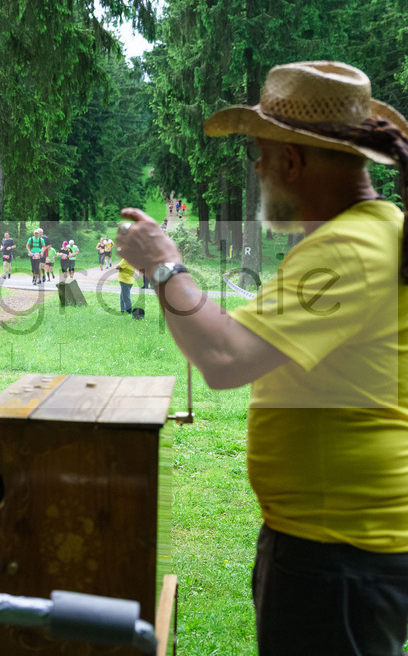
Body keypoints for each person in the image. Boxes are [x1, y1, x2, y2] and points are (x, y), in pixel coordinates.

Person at [116, 60, 408, 655]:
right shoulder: (378, 230)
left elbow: (224, 357)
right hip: (339, 544)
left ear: (291, 161)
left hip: (337, 554)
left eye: (259, 152)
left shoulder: (345, 250)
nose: (255, 168)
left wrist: (163, 264)